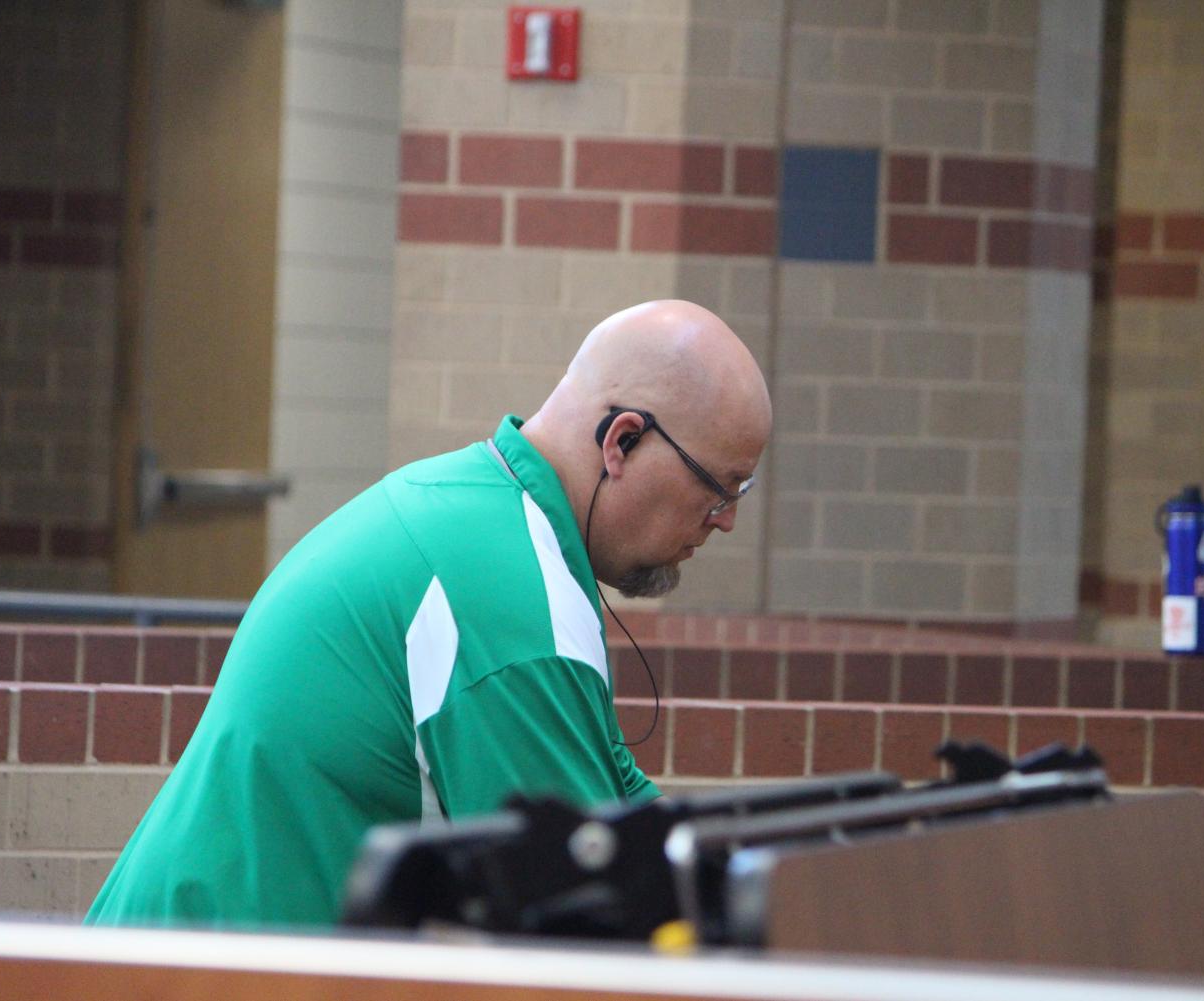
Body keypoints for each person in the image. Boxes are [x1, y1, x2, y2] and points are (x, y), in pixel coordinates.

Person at [86, 300, 772, 927]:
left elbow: (609, 795)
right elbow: (581, 911)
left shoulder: (474, 509)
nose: (728, 520)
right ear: (621, 441)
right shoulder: (510, 604)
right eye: (718, 486)